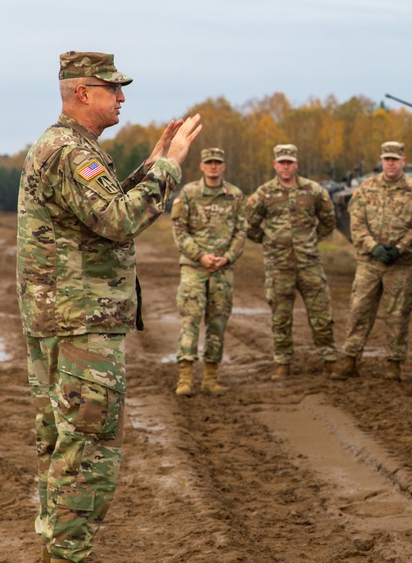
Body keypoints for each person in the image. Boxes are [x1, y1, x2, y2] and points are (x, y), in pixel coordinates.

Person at [19, 51, 202, 563]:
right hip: (81, 324)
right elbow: (119, 221)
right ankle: (67, 554)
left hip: (64, 319)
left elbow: (98, 210)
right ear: (83, 93)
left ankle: (59, 549)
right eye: (112, 89)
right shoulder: (72, 151)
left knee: (65, 442)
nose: (122, 97)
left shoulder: (68, 147)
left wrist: (149, 164)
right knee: (87, 451)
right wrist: (167, 170)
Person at [331, 141, 412, 381]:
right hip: (369, 263)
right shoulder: (366, 187)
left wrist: (401, 248)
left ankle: (394, 365)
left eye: (395, 159)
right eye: (387, 159)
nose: (390, 163)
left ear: (403, 161)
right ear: (381, 161)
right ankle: (350, 359)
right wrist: (373, 247)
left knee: (397, 315)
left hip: (400, 265)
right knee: (359, 310)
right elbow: (357, 224)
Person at [246, 144, 338, 380]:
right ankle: (283, 363)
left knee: (321, 315)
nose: (286, 167)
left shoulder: (313, 191)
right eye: (282, 162)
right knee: (281, 317)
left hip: (309, 264)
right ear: (275, 164)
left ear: (296, 164)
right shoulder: (264, 194)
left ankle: (329, 360)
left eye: (290, 162)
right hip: (279, 266)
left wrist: (311, 240)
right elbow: (248, 225)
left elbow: (328, 220)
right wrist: (269, 241)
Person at [171, 147, 247, 396]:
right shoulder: (189, 194)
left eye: (218, 163)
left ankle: (211, 378)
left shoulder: (235, 196)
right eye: (209, 162)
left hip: (223, 269)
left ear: (224, 166)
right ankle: (185, 378)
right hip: (194, 267)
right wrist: (200, 256)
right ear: (202, 166)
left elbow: (241, 232)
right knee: (190, 320)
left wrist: (226, 258)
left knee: (218, 322)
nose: (213, 166)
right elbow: (180, 230)